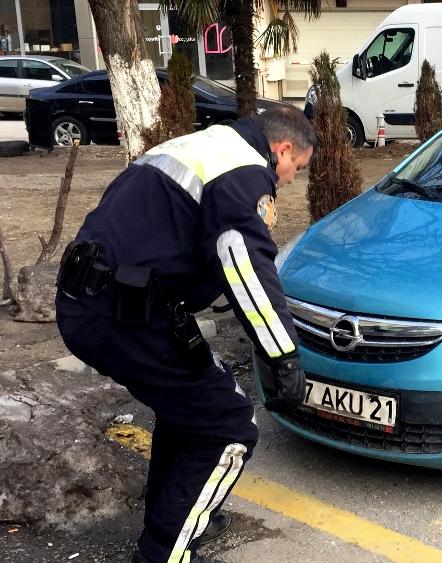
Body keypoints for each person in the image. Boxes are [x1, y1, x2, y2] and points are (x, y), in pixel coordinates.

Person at [55, 106, 315, 562]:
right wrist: (283, 355)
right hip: (125, 314)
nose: (292, 179)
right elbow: (243, 262)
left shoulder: (202, 146)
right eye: (297, 167)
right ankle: (164, 552)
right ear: (283, 148)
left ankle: (175, 515)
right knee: (230, 423)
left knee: (190, 409)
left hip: (93, 301)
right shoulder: (243, 170)